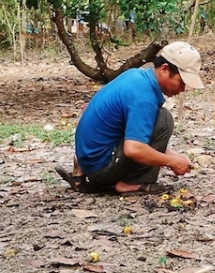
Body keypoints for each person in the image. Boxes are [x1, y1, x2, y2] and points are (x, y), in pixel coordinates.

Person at [55, 41, 204, 195]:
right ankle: (131, 183)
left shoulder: (135, 76)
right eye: (181, 82)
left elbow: (140, 134)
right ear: (165, 69)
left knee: (156, 120)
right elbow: (134, 148)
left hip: (88, 157)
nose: (182, 89)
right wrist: (172, 162)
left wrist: (176, 156)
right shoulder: (144, 97)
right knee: (164, 120)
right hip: (100, 167)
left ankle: (81, 172)